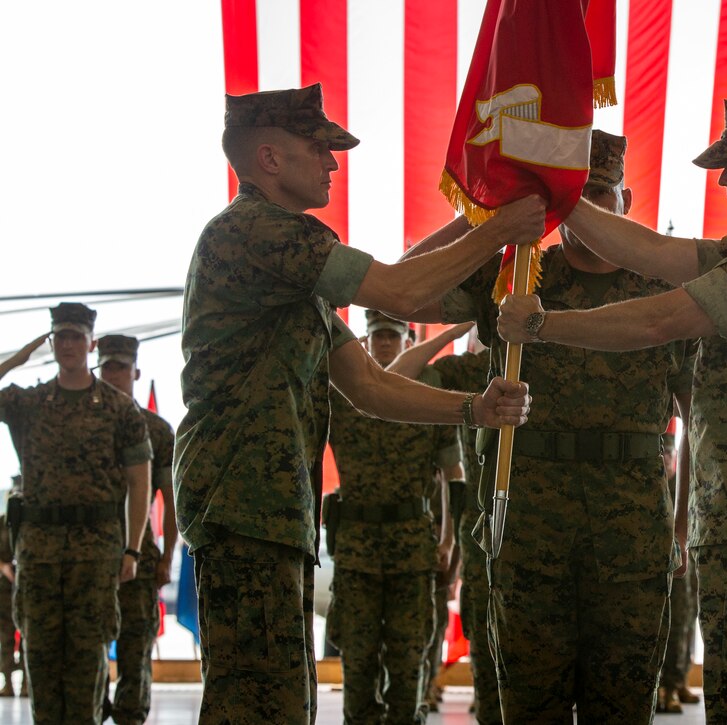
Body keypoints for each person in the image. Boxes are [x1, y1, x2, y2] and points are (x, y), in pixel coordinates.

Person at [175, 84, 537, 725]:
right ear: (269, 158)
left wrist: (472, 410)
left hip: (266, 509)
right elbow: (400, 291)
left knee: (279, 701)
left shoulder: (290, 274)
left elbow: (368, 385)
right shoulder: (257, 233)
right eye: (319, 149)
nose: (332, 163)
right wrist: (500, 226)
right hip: (241, 502)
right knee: (255, 704)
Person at [497, 97, 727, 722]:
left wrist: (545, 325)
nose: (723, 179)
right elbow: (655, 254)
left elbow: (664, 316)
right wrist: (563, 195)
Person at [402, 129, 694, 723]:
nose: (584, 213)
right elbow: (401, 293)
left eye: (600, 195)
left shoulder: (664, 290)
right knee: (531, 707)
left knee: (623, 706)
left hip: (632, 528)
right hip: (532, 526)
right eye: (570, 197)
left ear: (627, 201)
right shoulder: (517, 273)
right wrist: (489, 221)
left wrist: (684, 524)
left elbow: (697, 418)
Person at [0, 303, 152, 724]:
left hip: (96, 553)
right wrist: (15, 359)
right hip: (39, 554)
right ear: (52, 342)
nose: (68, 344)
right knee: (41, 661)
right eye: (60, 336)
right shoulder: (28, 403)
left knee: (88, 665)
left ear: (91, 342)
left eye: (75, 336)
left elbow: (139, 482)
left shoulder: (120, 410)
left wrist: (132, 549)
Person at [324, 311, 462, 724]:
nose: (385, 343)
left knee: (408, 663)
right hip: (356, 549)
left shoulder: (429, 390)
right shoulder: (340, 396)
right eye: (378, 336)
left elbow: (452, 475)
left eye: (393, 336)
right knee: (357, 661)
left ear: (407, 340)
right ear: (365, 342)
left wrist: (449, 542)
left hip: (411, 549)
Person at [387, 323, 499, 721]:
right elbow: (397, 378)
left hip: (549, 531)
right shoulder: (469, 371)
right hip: (486, 536)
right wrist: (456, 330)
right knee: (486, 658)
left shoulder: (545, 361)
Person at [96, 334, 178, 725]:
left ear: (136, 371)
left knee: (135, 647)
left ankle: (130, 715)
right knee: (88, 645)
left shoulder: (156, 430)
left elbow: (170, 499)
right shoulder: (83, 423)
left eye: (121, 367)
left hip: (139, 555)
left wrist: (167, 556)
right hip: (88, 552)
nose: (113, 374)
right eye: (107, 366)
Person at [657, 417, 699, 714]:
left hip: (683, 530)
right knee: (671, 613)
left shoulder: (678, 435)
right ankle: (665, 686)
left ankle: (679, 677)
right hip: (659, 530)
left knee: (687, 612)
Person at [0, 499, 25, 698]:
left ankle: (27, 685)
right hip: (4, 590)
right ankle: (7, 683)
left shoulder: (30, 520)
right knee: (6, 638)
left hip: (27, 586)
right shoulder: (1, 522)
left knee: (28, 638)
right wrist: (4, 567)